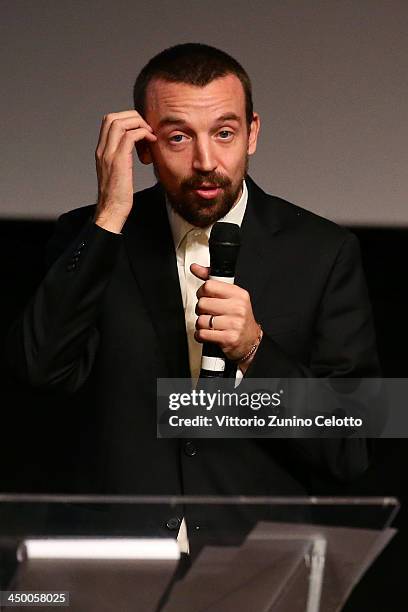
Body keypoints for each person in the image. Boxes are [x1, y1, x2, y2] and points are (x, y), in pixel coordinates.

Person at [5, 43, 379, 535]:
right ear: (144, 146)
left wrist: (256, 351)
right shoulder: (91, 238)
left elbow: (353, 445)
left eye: (224, 133)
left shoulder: (324, 251)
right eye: (179, 137)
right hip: (118, 562)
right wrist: (108, 218)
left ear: (252, 134)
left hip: (254, 564)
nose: (206, 161)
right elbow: (37, 372)